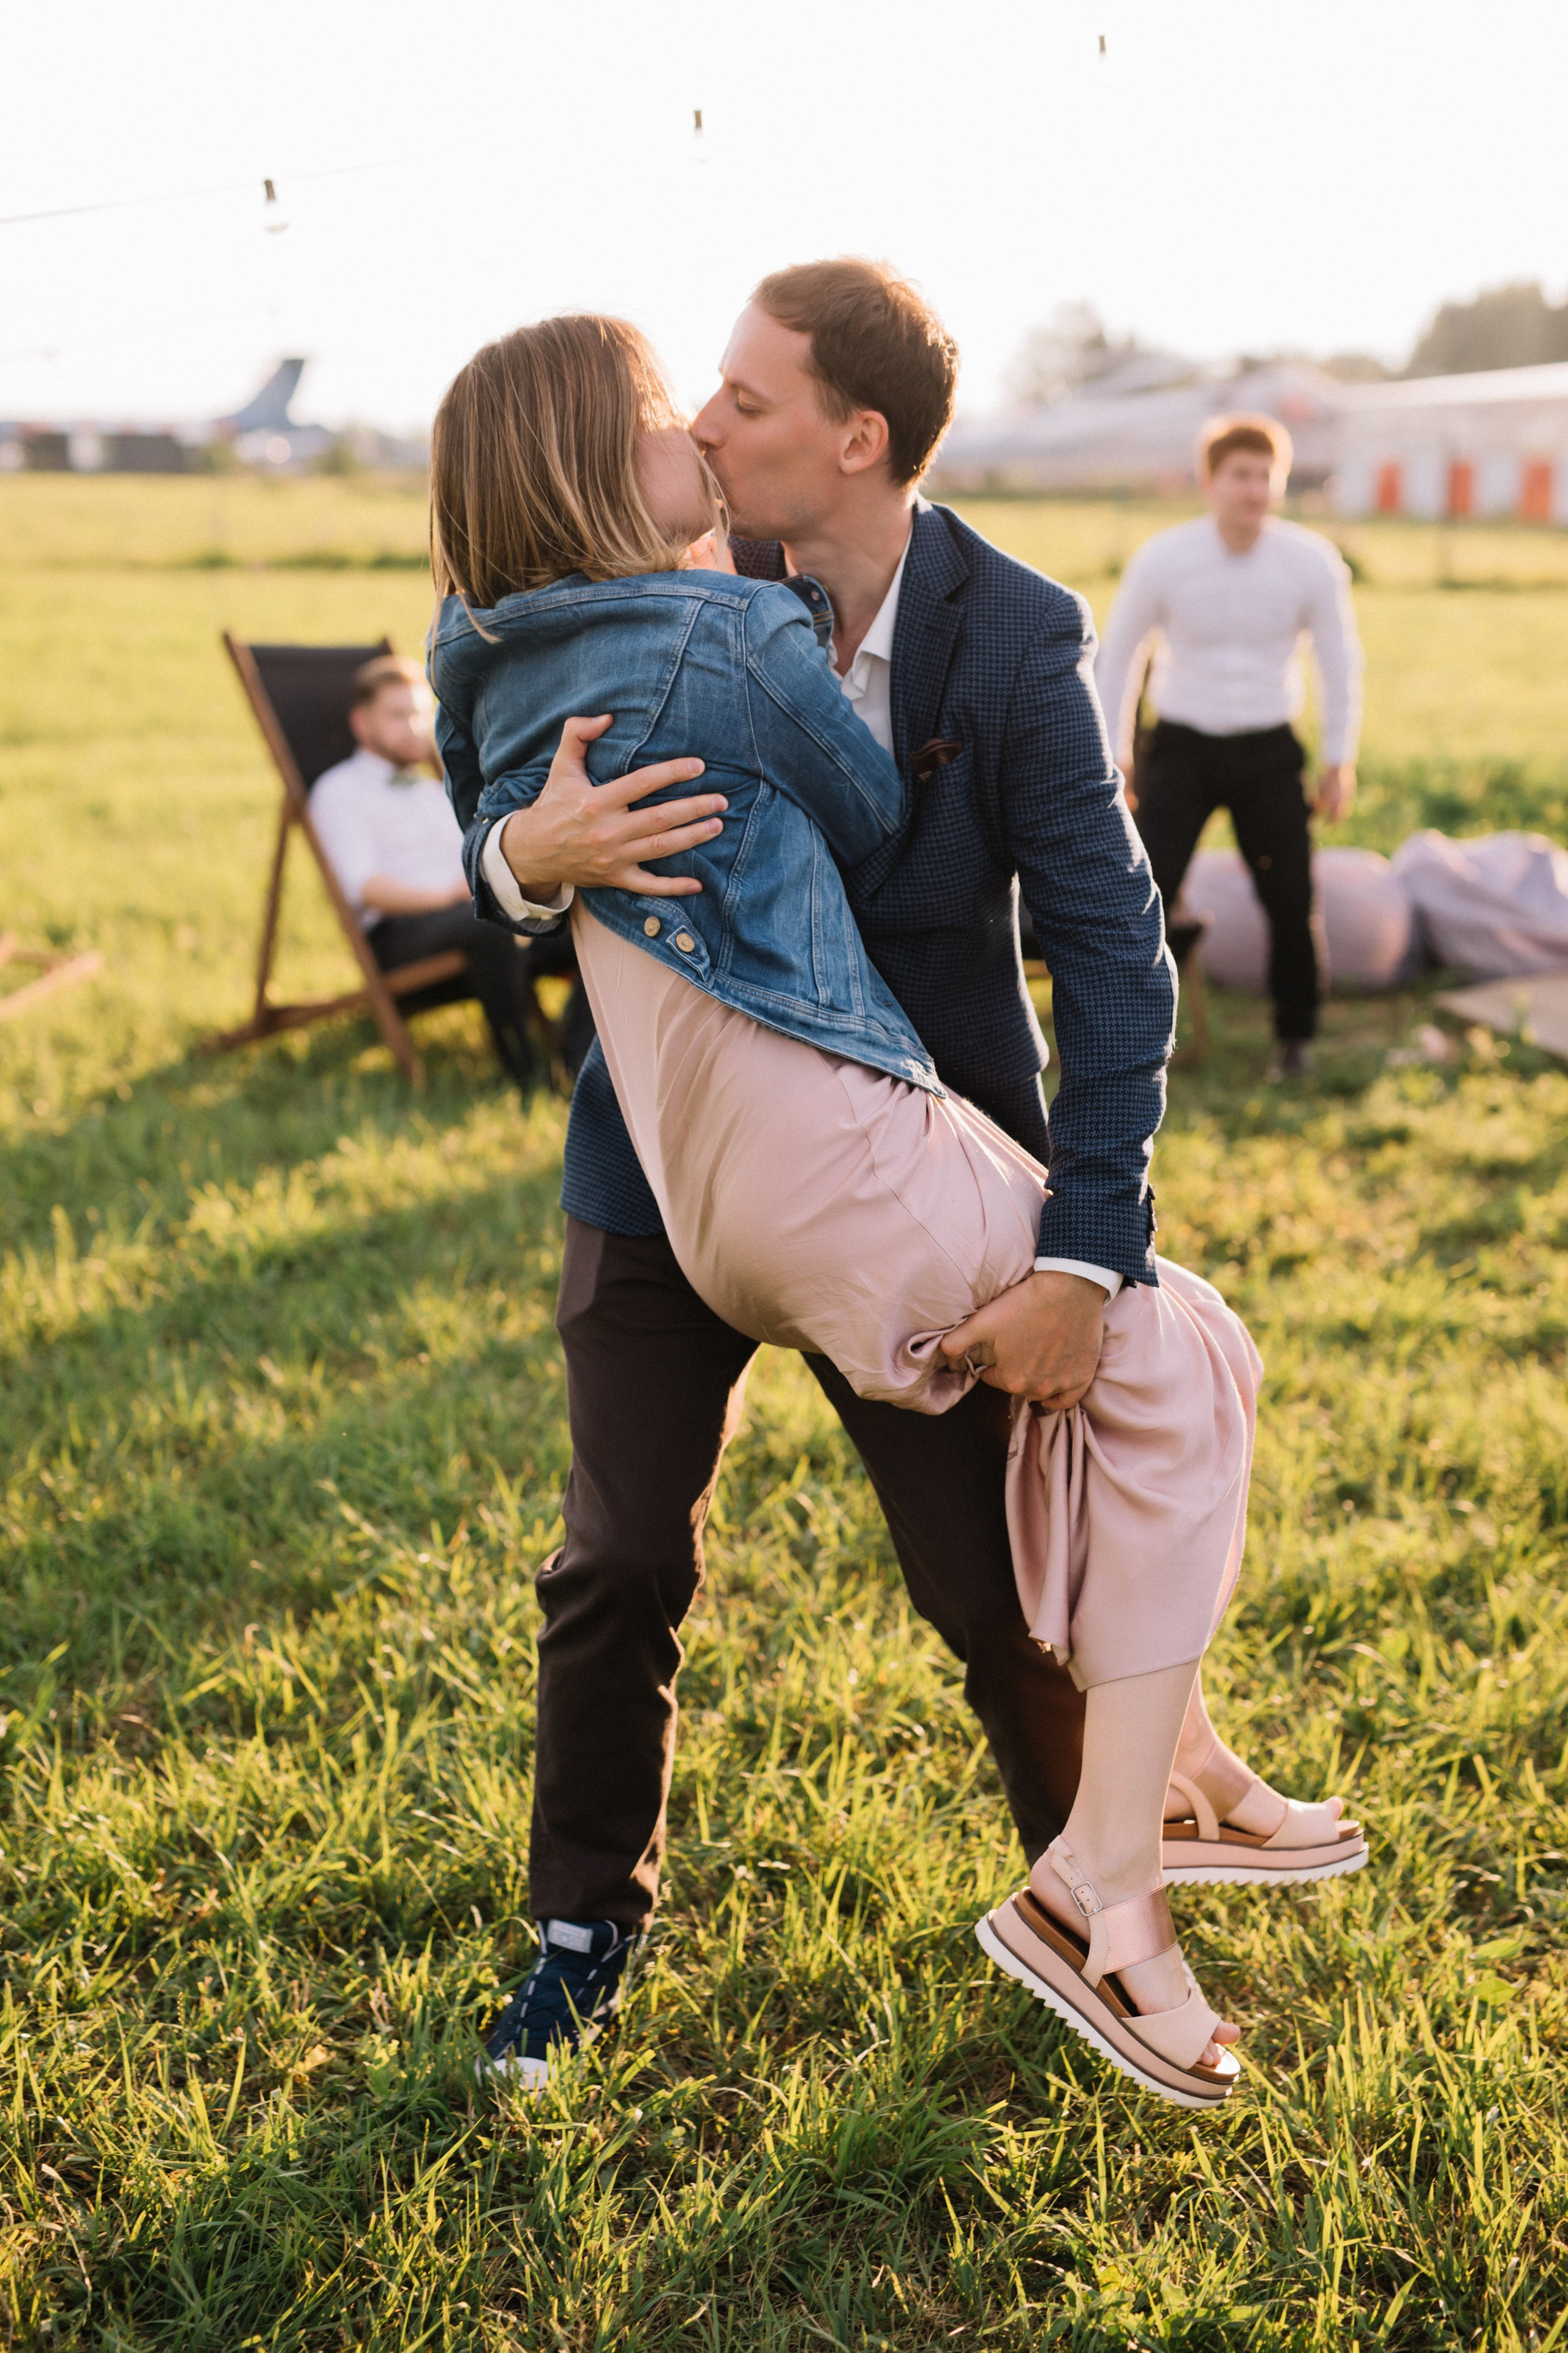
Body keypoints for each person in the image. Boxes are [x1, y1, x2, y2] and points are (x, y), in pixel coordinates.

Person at [441, 278, 1364, 2096]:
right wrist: (515, 855)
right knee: (615, 1550)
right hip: (657, 1163)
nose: (704, 423)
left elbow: (1112, 954)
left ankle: (1092, 1886)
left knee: (989, 1574)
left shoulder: (1007, 634)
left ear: (849, 441)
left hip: (916, 1145)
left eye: (741, 396)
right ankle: (579, 1924)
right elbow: (488, 769)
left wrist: (1086, 1251)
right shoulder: (588, 582)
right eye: (692, 392)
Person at [1095, 415, 1365, 1080]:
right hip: (1182, 748)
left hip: (1269, 751)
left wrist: (1338, 758)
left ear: (1280, 483)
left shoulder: (1309, 561)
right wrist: (1115, 752)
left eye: (1264, 476)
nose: (1252, 490)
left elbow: (1339, 661)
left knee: (1289, 896)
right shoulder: (1165, 556)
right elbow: (1119, 655)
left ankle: (1294, 1040)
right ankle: (1127, 1041)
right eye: (1239, 475)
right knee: (1142, 895)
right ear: (1209, 481)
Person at [309, 655, 591, 1089]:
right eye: (399, 715)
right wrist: (450, 896)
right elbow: (363, 887)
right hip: (401, 934)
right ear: (362, 724)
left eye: (422, 712)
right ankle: (527, 1077)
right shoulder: (338, 791)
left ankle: (578, 1065)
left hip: (471, 916)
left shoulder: (432, 788)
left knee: (584, 913)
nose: (417, 726)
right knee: (489, 926)